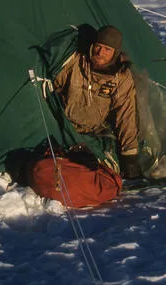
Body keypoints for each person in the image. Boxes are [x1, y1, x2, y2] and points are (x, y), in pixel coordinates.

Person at [53, 25, 142, 179]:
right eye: (98, 46)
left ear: (115, 53)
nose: (100, 52)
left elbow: (125, 114)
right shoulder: (75, 63)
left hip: (94, 132)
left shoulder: (120, 77)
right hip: (65, 129)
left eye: (107, 49)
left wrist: (129, 155)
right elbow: (52, 87)